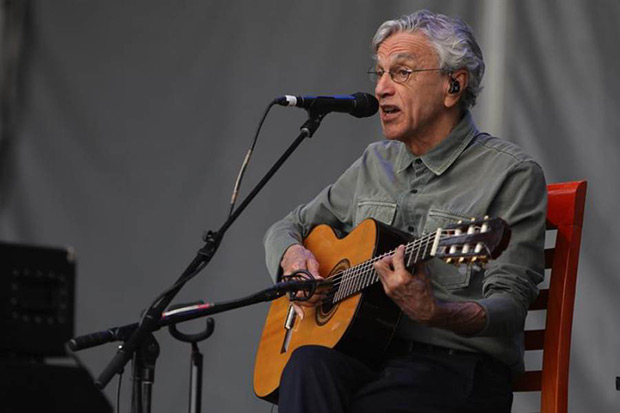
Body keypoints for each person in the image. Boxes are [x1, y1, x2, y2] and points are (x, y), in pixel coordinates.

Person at [264, 9, 546, 413]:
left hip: (454, 371)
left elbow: (509, 305)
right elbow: (288, 227)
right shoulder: (373, 163)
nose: (381, 89)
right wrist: (294, 258)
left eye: (401, 72)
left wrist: (438, 312)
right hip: (371, 358)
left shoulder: (511, 174)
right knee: (305, 364)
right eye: (378, 73)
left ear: (453, 85)